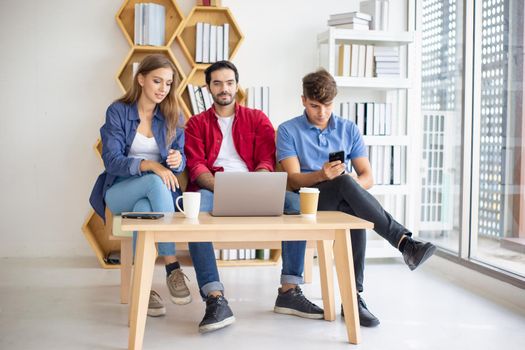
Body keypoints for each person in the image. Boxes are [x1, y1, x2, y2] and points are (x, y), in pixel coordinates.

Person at [276, 69, 437, 327]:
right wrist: (322, 174)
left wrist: (348, 184)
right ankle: (403, 244)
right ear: (303, 100)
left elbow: (368, 178)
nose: (322, 113)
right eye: (315, 106)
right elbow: (293, 179)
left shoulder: (348, 129)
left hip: (341, 199)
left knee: (351, 204)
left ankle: (354, 296)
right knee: (346, 189)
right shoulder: (287, 130)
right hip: (307, 201)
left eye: (327, 105)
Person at [184, 61, 324, 333]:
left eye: (229, 83)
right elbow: (196, 165)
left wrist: (256, 181)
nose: (223, 89)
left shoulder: (257, 118)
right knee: (194, 216)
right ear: (208, 87)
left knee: (295, 206)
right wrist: (219, 187)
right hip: (214, 188)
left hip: (255, 186)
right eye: (217, 83)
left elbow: (266, 159)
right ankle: (215, 299)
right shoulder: (196, 123)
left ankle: (289, 290)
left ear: (237, 85)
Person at [89, 54, 191, 318]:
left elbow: (179, 161)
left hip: (155, 195)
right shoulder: (118, 111)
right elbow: (111, 161)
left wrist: (178, 160)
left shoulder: (172, 115)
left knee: (144, 209)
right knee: (155, 182)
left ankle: (142, 288)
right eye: (157, 81)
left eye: (168, 84)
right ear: (141, 78)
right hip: (120, 189)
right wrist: (151, 165)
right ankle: (172, 266)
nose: (162, 89)